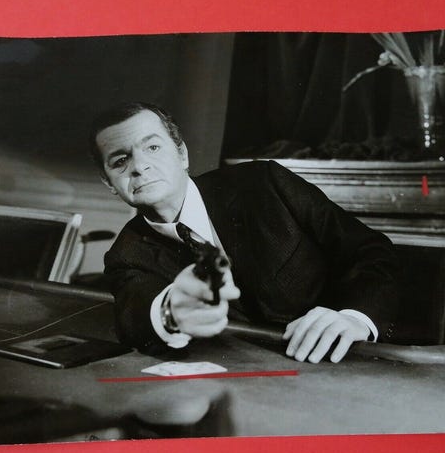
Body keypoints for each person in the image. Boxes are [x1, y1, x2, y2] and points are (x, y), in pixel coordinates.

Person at [90, 102, 399, 363]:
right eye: (120, 160)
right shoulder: (125, 255)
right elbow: (138, 315)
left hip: (351, 359)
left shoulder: (266, 182)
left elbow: (371, 250)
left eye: (153, 147)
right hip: (250, 384)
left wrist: (354, 317)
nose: (139, 166)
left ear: (182, 155)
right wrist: (171, 311)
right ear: (109, 183)